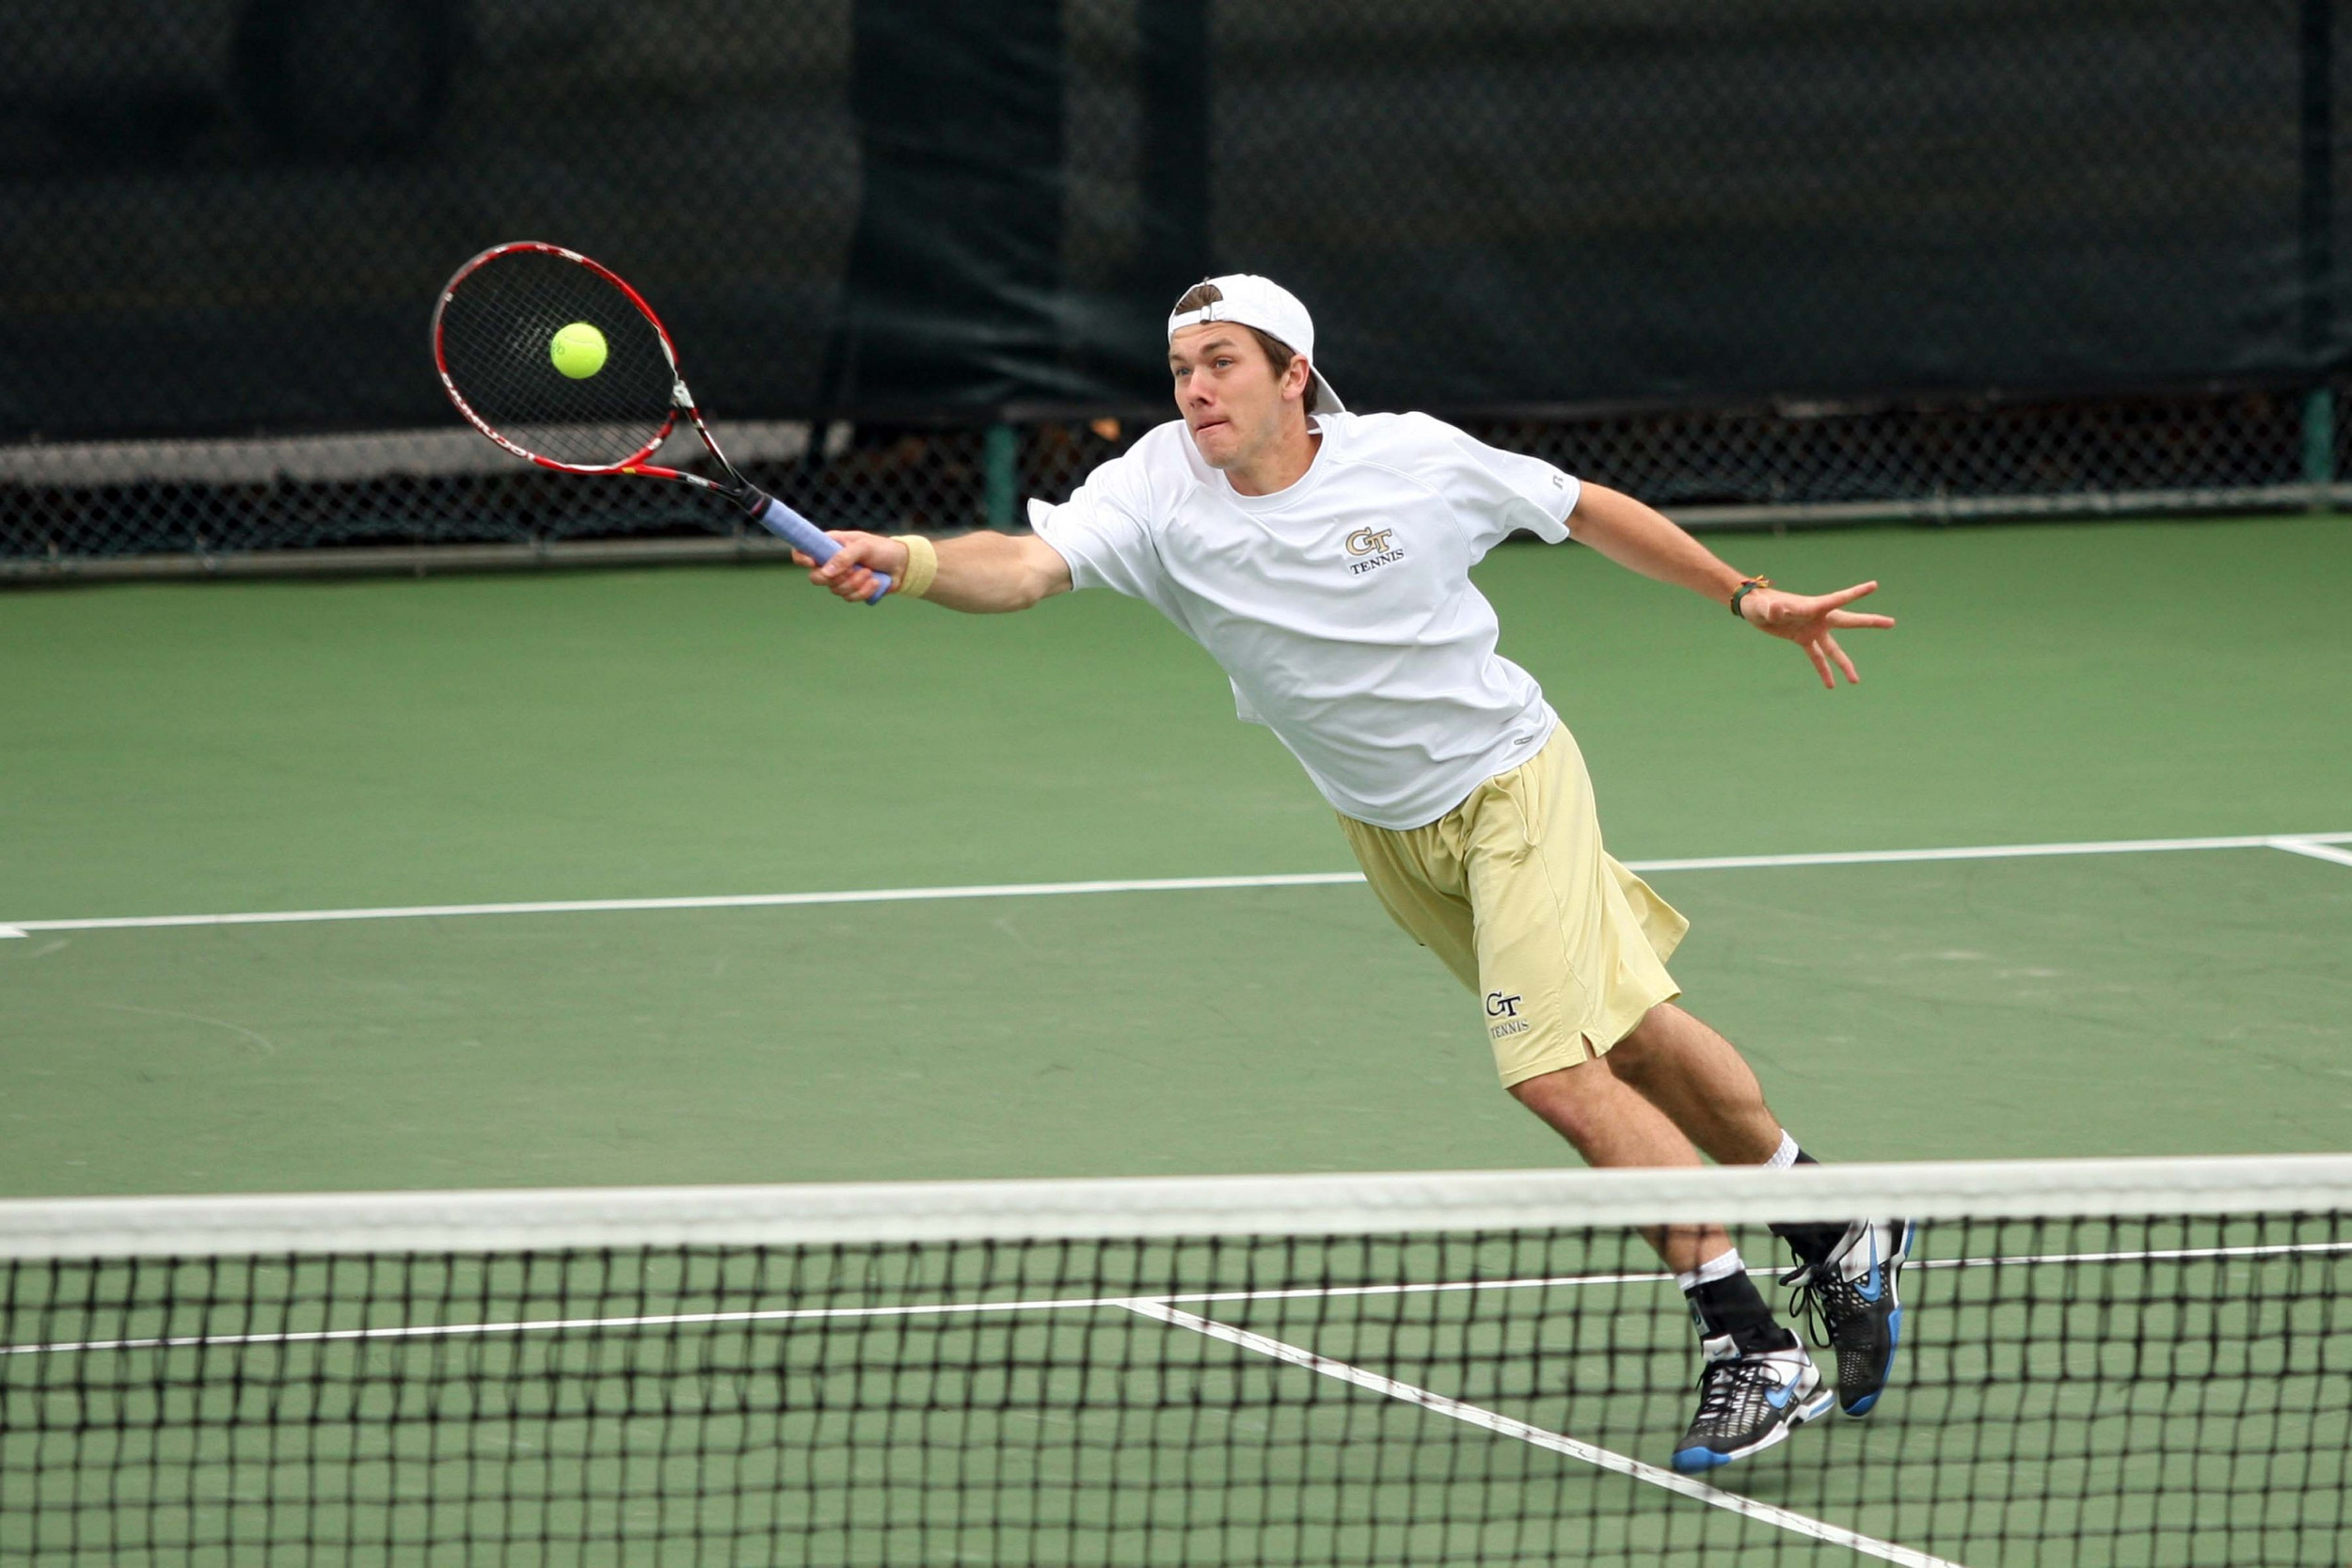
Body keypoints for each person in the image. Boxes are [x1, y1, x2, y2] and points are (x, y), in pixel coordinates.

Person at [794, 274, 1913, 1472]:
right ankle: (1833, 1214)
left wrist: (1746, 595)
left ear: (1292, 376)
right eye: (1180, 367)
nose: (1194, 388)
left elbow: (1581, 507)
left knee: (1551, 1067)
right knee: (1633, 1034)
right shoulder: (1155, 487)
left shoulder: (1409, 461)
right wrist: (908, 559)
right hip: (1385, 827)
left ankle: (1745, 1340)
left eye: (1221, 361)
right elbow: (1019, 566)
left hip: (1511, 784)